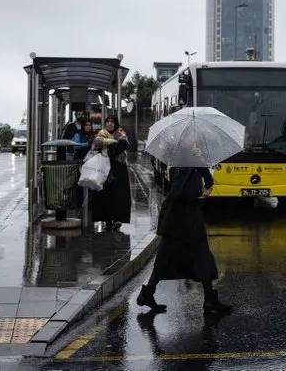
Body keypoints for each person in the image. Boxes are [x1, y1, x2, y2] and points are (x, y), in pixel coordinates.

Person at [137, 166, 231, 315]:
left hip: (186, 220)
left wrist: (208, 182)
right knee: (171, 258)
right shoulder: (183, 166)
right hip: (181, 222)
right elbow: (179, 193)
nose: (196, 145)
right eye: (193, 143)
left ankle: (209, 299)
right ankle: (209, 300)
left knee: (197, 257)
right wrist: (199, 196)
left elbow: (206, 180)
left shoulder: (192, 163)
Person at [91, 116, 131, 229]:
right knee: (105, 195)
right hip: (104, 169)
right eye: (107, 122)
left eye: (112, 122)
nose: (109, 124)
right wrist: (112, 145)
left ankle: (117, 219)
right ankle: (107, 219)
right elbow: (95, 146)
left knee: (119, 195)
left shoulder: (120, 133)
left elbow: (124, 145)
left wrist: (109, 147)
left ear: (116, 124)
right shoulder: (101, 134)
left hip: (119, 169)